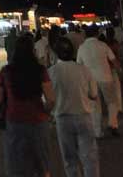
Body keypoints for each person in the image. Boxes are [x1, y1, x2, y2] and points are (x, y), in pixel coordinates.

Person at [0, 35, 55, 177]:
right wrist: (46, 111)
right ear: (32, 51)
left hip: (14, 121)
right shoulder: (40, 70)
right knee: (42, 165)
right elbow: (51, 99)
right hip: (38, 121)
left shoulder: (6, 71)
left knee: (16, 166)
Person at [49, 38, 99, 177]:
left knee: (70, 159)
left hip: (62, 119)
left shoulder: (51, 72)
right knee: (89, 157)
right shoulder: (84, 70)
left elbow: (47, 99)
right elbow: (94, 94)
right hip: (84, 116)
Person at [77, 24, 120, 138]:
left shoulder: (82, 48)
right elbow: (114, 61)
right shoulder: (103, 45)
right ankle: (113, 124)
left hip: (90, 81)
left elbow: (79, 66)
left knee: (95, 107)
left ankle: (97, 132)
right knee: (112, 102)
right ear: (97, 34)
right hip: (106, 78)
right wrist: (120, 71)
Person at [105, 26, 123, 113]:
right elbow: (118, 55)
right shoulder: (115, 43)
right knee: (117, 89)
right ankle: (119, 107)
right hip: (114, 68)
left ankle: (112, 108)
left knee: (110, 91)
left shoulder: (104, 43)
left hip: (106, 69)